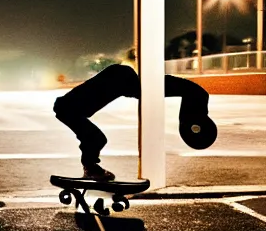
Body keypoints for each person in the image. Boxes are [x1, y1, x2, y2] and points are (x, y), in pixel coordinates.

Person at [53, 63, 217, 181]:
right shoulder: (118, 81)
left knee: (95, 138)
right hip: (67, 109)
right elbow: (152, 88)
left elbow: (151, 88)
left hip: (73, 105)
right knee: (96, 138)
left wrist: (191, 93)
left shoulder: (117, 81)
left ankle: (90, 168)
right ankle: (90, 169)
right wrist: (191, 92)